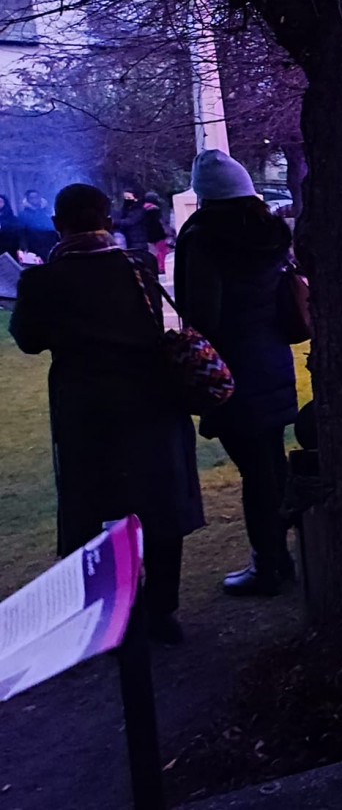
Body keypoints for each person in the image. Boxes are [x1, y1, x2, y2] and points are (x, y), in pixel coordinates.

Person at [9, 184, 204, 642]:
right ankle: (162, 610)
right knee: (158, 503)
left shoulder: (43, 281)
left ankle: (109, 613)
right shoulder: (136, 267)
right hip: (151, 398)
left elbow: (30, 340)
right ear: (109, 221)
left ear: (59, 226)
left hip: (86, 409)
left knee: (94, 507)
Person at [174, 150, 300, 596]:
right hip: (272, 360)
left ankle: (269, 563)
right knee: (270, 465)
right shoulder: (270, 233)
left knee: (257, 471)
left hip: (230, 370)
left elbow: (204, 313)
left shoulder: (205, 238)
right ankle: (283, 556)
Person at [18, 189, 57, 260]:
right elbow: (22, 232)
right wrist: (24, 246)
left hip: (50, 243)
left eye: (36, 197)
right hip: (33, 245)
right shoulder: (23, 214)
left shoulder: (48, 211)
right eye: (31, 198)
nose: (34, 199)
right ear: (28, 199)